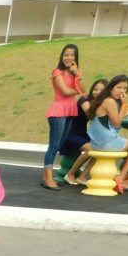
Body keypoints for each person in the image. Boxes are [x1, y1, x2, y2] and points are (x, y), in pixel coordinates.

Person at [66, 74, 128, 193]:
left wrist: (123, 109)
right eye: (119, 87)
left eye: (125, 88)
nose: (122, 91)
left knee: (127, 144)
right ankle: (121, 177)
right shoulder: (109, 101)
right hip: (104, 143)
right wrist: (125, 105)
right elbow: (116, 123)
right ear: (111, 88)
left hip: (97, 142)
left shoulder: (105, 101)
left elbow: (112, 121)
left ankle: (83, 176)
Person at [42, 44, 84, 191]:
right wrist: (77, 89)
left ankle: (46, 176)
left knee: (59, 146)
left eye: (72, 55)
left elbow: (83, 91)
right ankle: (48, 178)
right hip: (58, 112)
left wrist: (77, 75)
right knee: (53, 146)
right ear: (62, 56)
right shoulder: (57, 72)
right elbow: (66, 92)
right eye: (66, 54)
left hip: (70, 112)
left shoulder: (75, 73)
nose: (69, 57)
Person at [60, 78, 108, 185]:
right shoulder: (84, 99)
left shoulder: (101, 104)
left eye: (101, 90)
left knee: (101, 150)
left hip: (82, 133)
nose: (97, 92)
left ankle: (82, 176)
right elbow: (89, 113)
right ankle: (70, 174)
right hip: (71, 132)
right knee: (91, 149)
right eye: (95, 89)